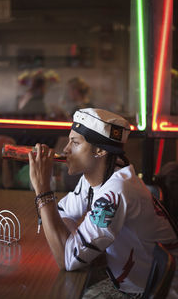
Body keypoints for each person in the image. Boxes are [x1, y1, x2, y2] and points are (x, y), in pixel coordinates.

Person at [28, 108, 178, 298]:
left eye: (75, 143)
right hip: (125, 278)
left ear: (99, 150)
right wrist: (70, 240)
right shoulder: (96, 176)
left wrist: (42, 189)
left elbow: (67, 260)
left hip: (151, 292)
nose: (65, 150)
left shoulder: (116, 191)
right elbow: (61, 212)